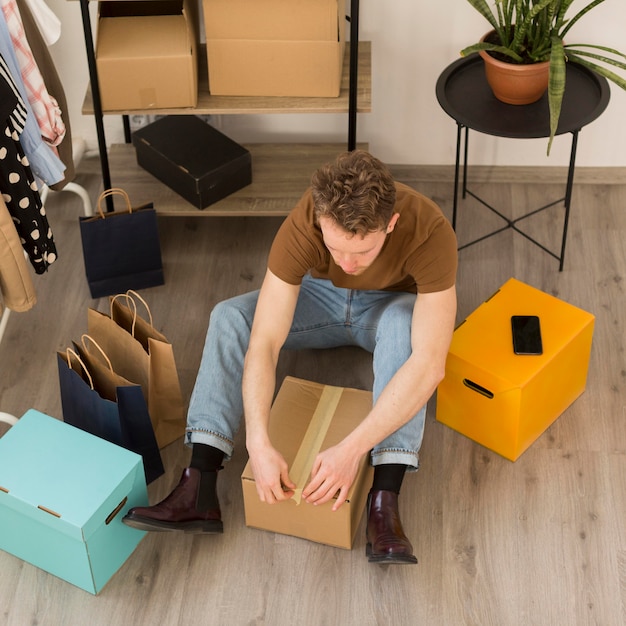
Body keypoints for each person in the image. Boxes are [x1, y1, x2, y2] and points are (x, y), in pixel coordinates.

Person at [123, 150, 458, 565]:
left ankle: (383, 502)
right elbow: (264, 339)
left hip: (390, 308)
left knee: (404, 335)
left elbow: (430, 365)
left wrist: (351, 450)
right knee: (230, 316)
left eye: (364, 252)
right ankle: (199, 484)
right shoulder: (304, 223)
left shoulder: (429, 230)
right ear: (321, 220)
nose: (349, 264)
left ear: (390, 224)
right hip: (325, 300)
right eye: (336, 249)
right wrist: (258, 442)